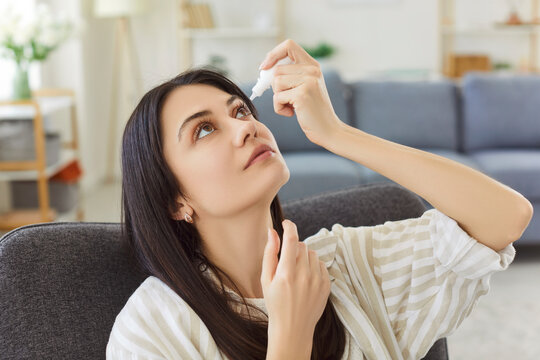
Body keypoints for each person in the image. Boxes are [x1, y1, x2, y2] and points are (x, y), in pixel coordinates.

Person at [106, 39, 532, 359]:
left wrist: (336, 133)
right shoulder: (151, 330)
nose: (245, 128)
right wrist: (291, 331)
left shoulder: (346, 263)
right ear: (175, 201)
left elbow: (506, 216)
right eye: (204, 129)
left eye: (240, 111)